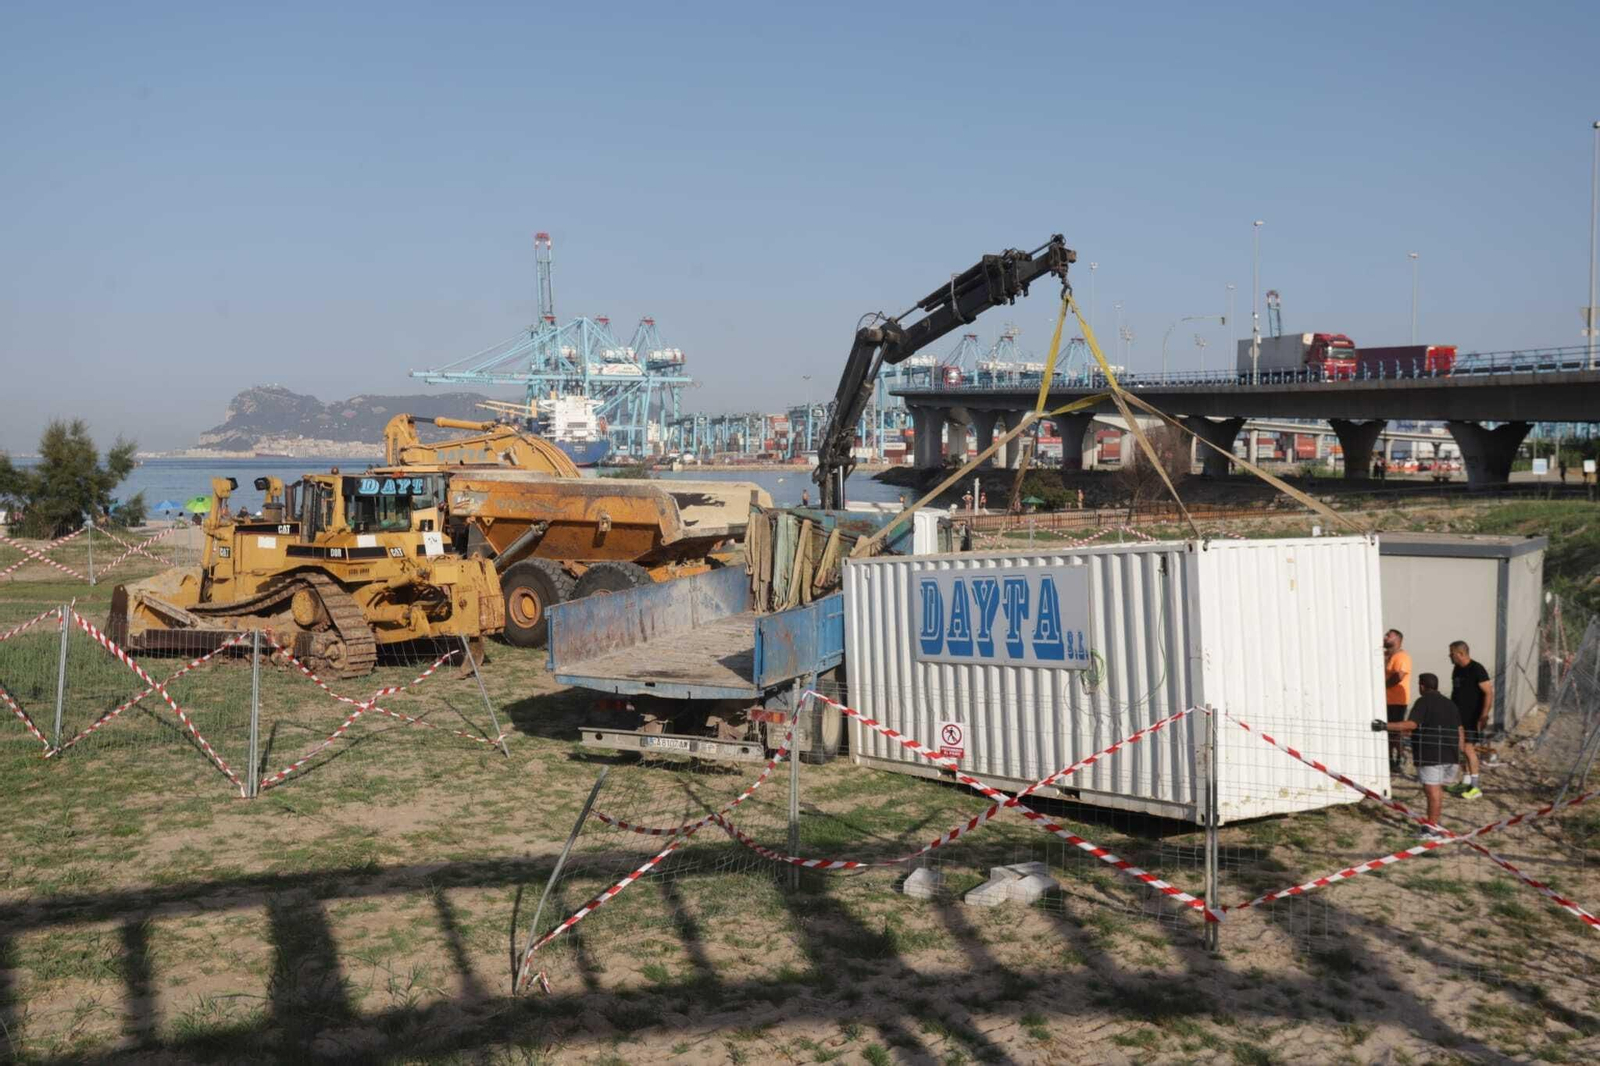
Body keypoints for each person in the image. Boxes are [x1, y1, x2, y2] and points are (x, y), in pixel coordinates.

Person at [1379, 673, 1462, 833]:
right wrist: (1459, 752)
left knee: (1432, 793)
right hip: (1451, 755)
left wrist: (1384, 726)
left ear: (1422, 686)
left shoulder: (1423, 701)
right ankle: (1434, 822)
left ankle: (1430, 828)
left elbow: (1411, 724)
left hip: (1431, 755)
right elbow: (1459, 729)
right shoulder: (1450, 704)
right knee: (1437, 791)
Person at [1447, 640, 1492, 799]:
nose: (1449, 656)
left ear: (1460, 654)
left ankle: (1475, 787)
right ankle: (1465, 782)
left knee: (1468, 748)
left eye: (1451, 653)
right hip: (1458, 717)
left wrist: (1484, 715)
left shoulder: (1477, 669)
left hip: (1472, 717)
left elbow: (1488, 692)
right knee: (1460, 748)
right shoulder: (1457, 669)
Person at [1383, 629, 1413, 774]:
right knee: (1386, 732)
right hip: (1385, 701)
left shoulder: (1402, 656)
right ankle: (1389, 760)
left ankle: (1399, 759)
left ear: (1398, 639)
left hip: (1396, 701)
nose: (1385, 637)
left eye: (1389, 635)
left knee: (1395, 731)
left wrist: (1381, 688)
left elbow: (1398, 676)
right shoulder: (1386, 656)